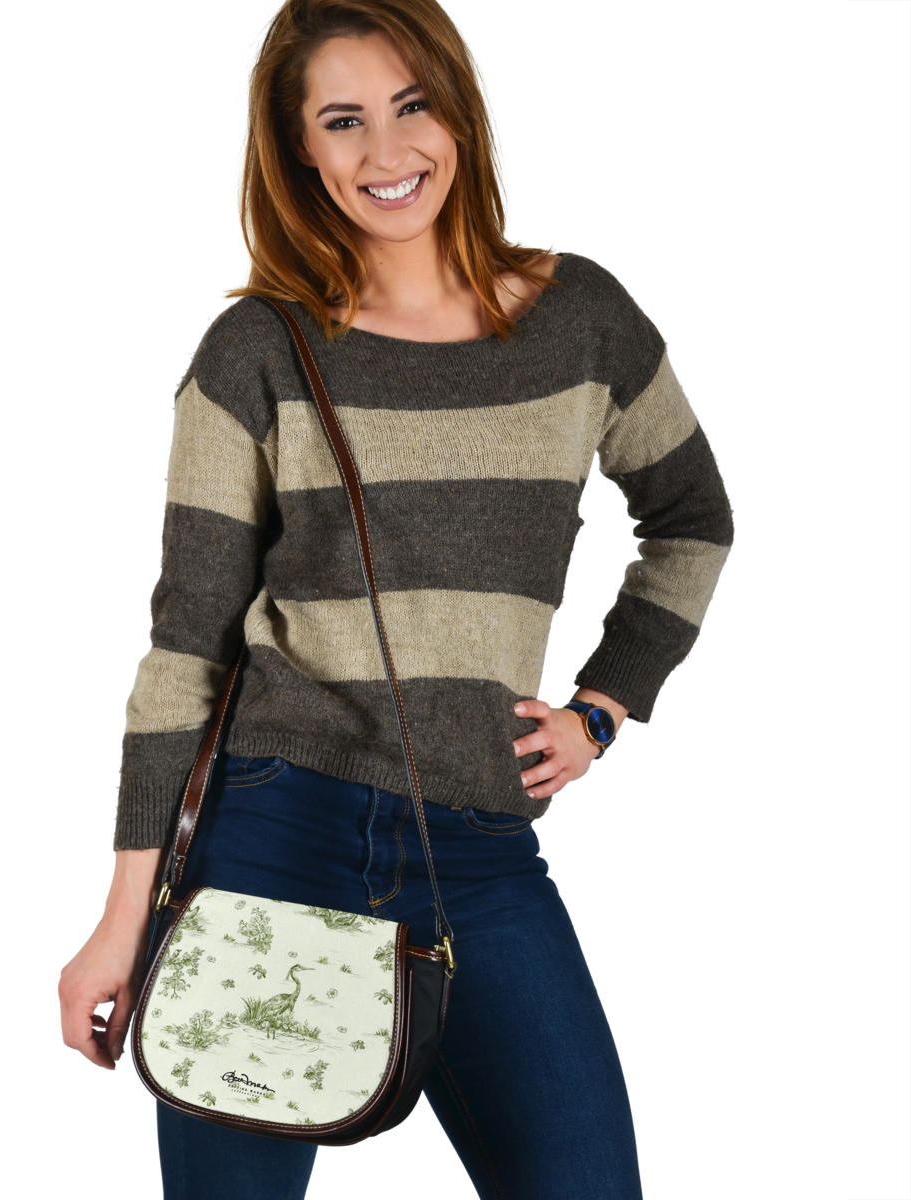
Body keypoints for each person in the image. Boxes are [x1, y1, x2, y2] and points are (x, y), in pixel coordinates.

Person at [58, 1, 734, 1196]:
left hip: (479, 848)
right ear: (299, 148)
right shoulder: (256, 353)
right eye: (343, 120)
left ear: (457, 114)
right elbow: (186, 650)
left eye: (411, 106)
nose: (387, 151)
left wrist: (602, 708)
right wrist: (122, 917)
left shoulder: (582, 322)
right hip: (275, 836)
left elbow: (691, 519)